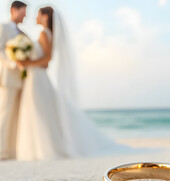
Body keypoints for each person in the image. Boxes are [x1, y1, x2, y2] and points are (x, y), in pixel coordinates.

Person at [15, 6, 130, 160]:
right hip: (36, 77)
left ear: (45, 17)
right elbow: (46, 61)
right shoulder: (47, 34)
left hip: (37, 78)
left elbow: (47, 59)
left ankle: (44, 149)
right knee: (40, 111)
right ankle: (39, 148)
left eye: (38, 14)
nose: (35, 17)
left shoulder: (44, 33)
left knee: (40, 111)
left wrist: (28, 62)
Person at [0, 1, 27, 160]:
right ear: (14, 10)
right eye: (23, 12)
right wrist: (14, 63)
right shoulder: (2, 27)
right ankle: (0, 152)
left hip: (23, 80)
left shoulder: (23, 33)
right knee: (5, 115)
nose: (25, 15)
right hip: (8, 78)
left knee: (17, 117)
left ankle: (13, 151)